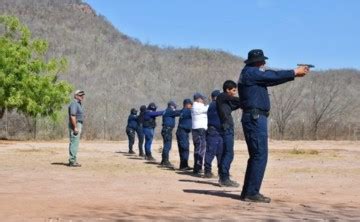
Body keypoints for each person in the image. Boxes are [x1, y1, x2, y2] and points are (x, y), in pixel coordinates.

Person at [238, 49, 309, 203]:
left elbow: (272, 79)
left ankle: (248, 192)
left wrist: (294, 75)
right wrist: (294, 71)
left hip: (254, 117)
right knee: (260, 155)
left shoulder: (251, 74)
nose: (264, 63)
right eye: (262, 61)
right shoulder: (251, 72)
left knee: (256, 156)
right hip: (255, 118)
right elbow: (272, 76)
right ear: (256, 62)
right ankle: (251, 193)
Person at [216, 81, 242, 187]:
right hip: (226, 128)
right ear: (227, 90)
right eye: (233, 90)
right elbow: (234, 100)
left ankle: (223, 177)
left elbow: (234, 105)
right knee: (229, 153)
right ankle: (224, 178)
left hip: (228, 128)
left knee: (227, 153)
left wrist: (242, 103)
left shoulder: (225, 102)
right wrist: (246, 98)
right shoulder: (222, 96)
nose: (235, 93)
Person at [204, 90, 223, 178]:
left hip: (217, 132)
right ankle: (207, 171)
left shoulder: (214, 104)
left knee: (220, 153)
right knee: (211, 152)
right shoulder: (215, 104)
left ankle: (221, 172)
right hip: (213, 131)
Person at [191, 93, 209, 176]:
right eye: (202, 99)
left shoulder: (197, 106)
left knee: (199, 148)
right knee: (200, 149)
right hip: (199, 130)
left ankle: (197, 167)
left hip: (198, 129)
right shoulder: (197, 106)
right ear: (198, 99)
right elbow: (207, 108)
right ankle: (197, 168)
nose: (203, 100)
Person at [160, 101, 181, 168]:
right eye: (174, 106)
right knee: (167, 146)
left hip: (166, 129)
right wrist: (185, 110)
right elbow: (178, 112)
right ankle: (165, 161)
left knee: (166, 145)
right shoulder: (169, 111)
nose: (175, 107)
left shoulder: (166, 111)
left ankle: (163, 161)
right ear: (171, 106)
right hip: (167, 130)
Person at [68, 90, 85, 167]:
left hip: (78, 123)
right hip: (75, 124)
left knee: (75, 142)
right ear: (75, 96)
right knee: (74, 142)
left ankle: (73, 160)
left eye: (82, 95)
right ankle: (72, 161)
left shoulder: (78, 104)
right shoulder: (74, 103)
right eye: (80, 95)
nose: (82, 96)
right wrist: (75, 127)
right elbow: (72, 116)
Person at [176, 99, 193, 170]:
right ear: (187, 104)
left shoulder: (182, 111)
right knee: (185, 148)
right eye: (190, 104)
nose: (191, 106)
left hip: (181, 132)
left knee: (182, 149)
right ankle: (184, 166)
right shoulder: (188, 111)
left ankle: (182, 165)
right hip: (182, 132)